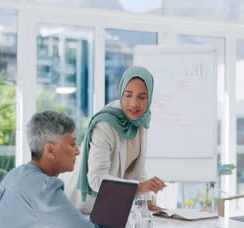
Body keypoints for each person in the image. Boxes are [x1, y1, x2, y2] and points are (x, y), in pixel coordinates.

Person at [62, 66, 166, 214]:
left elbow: (137, 166)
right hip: (81, 205)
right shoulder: (105, 124)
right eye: (128, 95)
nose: (134, 103)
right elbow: (96, 179)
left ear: (149, 99)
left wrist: (147, 199)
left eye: (142, 97)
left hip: (109, 205)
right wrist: (140, 187)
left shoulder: (141, 120)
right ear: (121, 93)